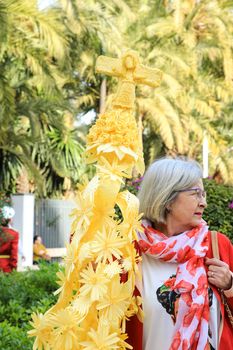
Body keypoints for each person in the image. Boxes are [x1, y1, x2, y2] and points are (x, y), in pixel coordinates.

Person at [126, 157, 233, 350]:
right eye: (196, 194)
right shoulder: (130, 253)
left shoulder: (217, 246)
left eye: (204, 195)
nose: (204, 203)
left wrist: (230, 286)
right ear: (167, 199)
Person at [0, 206, 19, 273]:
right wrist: (14, 268)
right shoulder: (14, 233)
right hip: (6, 267)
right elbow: (14, 253)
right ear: (10, 219)